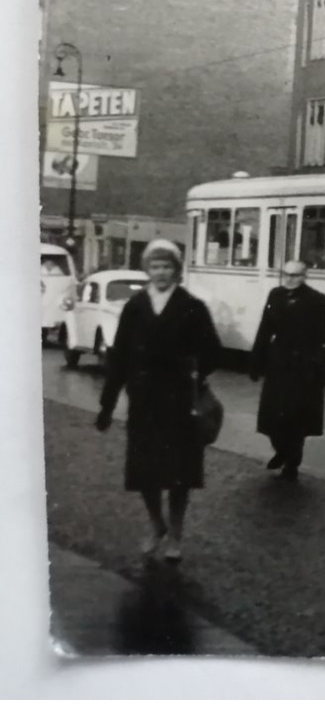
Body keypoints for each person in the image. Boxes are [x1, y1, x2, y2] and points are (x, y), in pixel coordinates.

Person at [95, 238, 221, 564]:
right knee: (145, 474)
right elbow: (119, 358)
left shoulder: (192, 307)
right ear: (147, 270)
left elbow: (212, 351)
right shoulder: (134, 307)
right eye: (155, 266)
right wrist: (107, 406)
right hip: (144, 402)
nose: (161, 272)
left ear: (176, 271)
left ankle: (176, 535)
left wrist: (191, 371)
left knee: (179, 475)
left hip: (179, 404)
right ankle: (156, 525)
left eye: (167, 266)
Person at [249, 260, 325, 482]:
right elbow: (265, 329)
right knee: (272, 416)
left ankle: (292, 462)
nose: (290, 279)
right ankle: (281, 449)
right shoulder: (275, 296)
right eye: (287, 274)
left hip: (304, 367)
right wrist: (256, 361)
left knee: (297, 419)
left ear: (304, 276)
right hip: (279, 364)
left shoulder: (316, 300)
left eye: (296, 275)